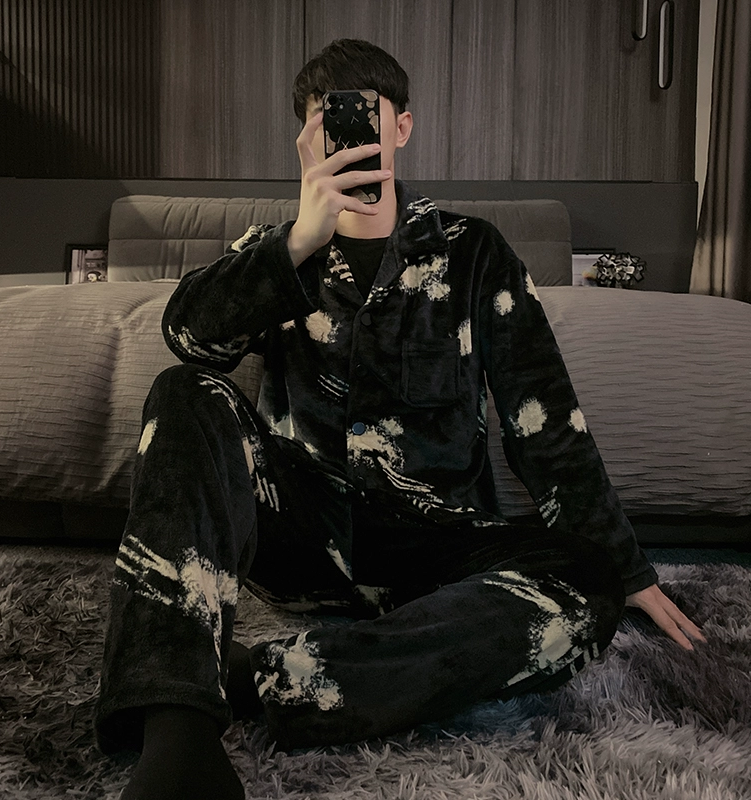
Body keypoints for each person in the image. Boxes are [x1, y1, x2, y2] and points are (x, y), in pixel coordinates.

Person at [95, 38, 706, 800]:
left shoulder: (474, 253)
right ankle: (176, 730)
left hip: (439, 549)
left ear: (402, 127)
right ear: (306, 140)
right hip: (302, 536)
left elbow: (545, 421)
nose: (349, 135)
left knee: (587, 583)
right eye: (328, 121)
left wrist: (626, 568)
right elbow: (189, 336)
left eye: (365, 115)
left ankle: (260, 676)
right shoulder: (275, 252)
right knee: (182, 391)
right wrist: (299, 240)